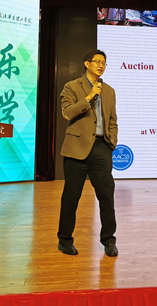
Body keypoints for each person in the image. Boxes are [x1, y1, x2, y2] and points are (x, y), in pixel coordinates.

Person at [57, 49, 119, 257]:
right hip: (76, 149)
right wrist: (90, 97)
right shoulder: (72, 86)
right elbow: (67, 113)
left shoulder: (109, 91)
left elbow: (112, 120)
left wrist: (111, 143)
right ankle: (65, 240)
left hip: (102, 148)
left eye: (104, 63)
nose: (101, 65)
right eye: (97, 62)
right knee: (71, 197)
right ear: (86, 64)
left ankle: (109, 240)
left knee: (107, 197)